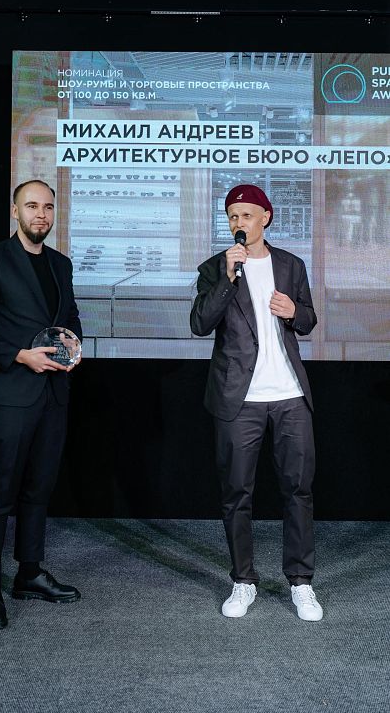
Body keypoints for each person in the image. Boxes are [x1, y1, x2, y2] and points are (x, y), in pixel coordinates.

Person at [190, 183, 323, 622]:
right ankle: (243, 580)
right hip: (238, 397)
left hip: (289, 395)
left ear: (265, 217)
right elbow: (199, 324)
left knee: (298, 490)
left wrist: (293, 312)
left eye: (246, 215)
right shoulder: (216, 268)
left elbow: (308, 319)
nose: (239, 222)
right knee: (236, 493)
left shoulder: (291, 265)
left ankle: (301, 582)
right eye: (232, 216)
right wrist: (227, 279)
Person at [0, 179, 82, 630]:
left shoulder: (61, 264)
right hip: (10, 395)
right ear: (15, 212)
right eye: (31, 206)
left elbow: (70, 319)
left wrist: (74, 345)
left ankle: (29, 573)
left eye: (47, 207)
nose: (40, 215)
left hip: (53, 394)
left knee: (38, 489)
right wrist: (18, 354)